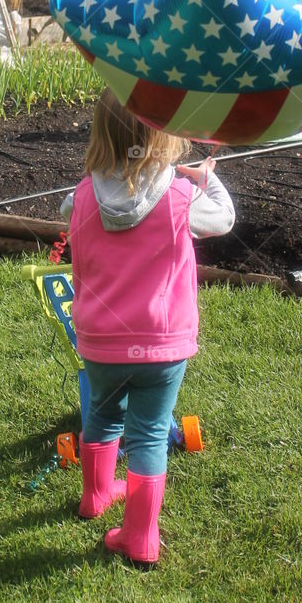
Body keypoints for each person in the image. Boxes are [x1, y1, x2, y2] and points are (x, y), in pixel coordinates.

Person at [60, 88, 235, 565]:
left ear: (101, 135)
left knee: (101, 413)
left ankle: (95, 496)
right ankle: (140, 537)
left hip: (99, 341)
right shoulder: (180, 198)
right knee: (150, 434)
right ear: (165, 138)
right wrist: (205, 180)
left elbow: (66, 215)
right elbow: (224, 218)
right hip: (162, 344)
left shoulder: (80, 197)